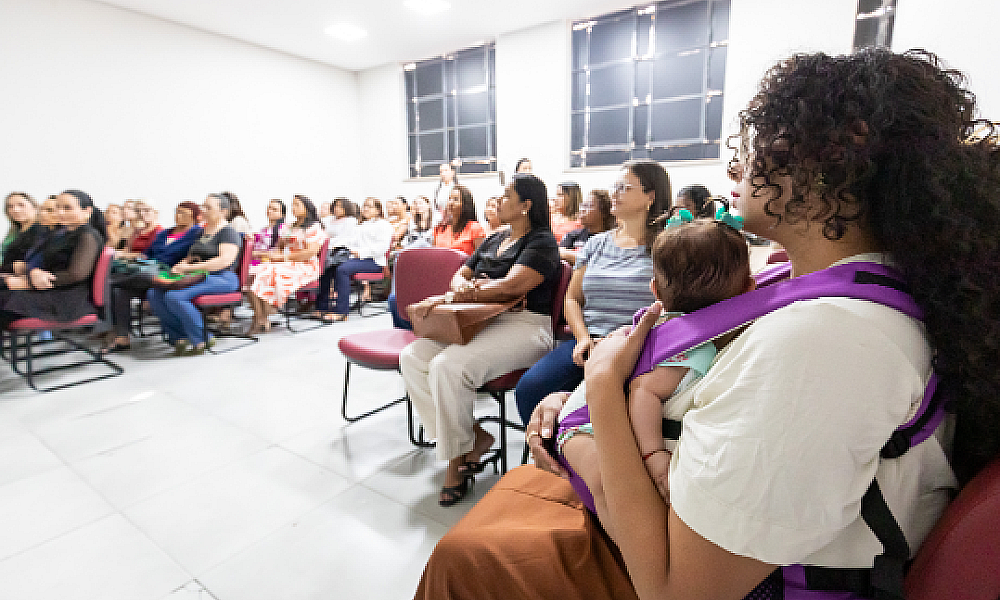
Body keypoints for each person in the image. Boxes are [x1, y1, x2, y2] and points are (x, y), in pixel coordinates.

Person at [414, 49, 998, 600]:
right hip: (676, 497)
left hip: (690, 565)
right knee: (476, 540)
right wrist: (578, 400)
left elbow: (676, 586)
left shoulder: (826, 340)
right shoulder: (803, 287)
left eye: (767, 142)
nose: (738, 164)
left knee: (465, 555)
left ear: (835, 161)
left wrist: (590, 405)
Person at [557, 214, 755, 539]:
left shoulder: (674, 327)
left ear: (655, 291)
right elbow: (643, 391)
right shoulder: (695, 343)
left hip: (586, 416)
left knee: (615, 497)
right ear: (750, 288)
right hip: (584, 425)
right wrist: (654, 454)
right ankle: (628, 556)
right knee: (615, 500)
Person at [400, 173, 561, 507]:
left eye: (506, 196)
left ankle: (456, 462)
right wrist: (460, 284)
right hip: (480, 320)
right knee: (413, 357)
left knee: (448, 365)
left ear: (526, 205)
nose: (499, 201)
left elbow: (513, 286)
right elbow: (463, 271)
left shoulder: (541, 242)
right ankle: (471, 438)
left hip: (526, 325)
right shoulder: (495, 238)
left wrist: (467, 289)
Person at [514, 162, 671, 424]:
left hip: (642, 346)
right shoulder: (597, 244)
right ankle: (554, 456)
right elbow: (573, 299)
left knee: (611, 403)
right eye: (615, 187)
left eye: (625, 187)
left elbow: (673, 305)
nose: (615, 193)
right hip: (590, 342)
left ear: (650, 196)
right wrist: (583, 338)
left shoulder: (667, 245)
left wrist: (623, 342)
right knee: (531, 388)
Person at [102, 201, 203, 354]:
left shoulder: (196, 232)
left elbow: (206, 245)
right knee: (119, 291)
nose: (178, 215)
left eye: (183, 213)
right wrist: (130, 258)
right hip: (149, 269)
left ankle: (106, 283)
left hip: (170, 272)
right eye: (177, 211)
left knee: (134, 277)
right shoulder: (164, 233)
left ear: (194, 216)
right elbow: (147, 254)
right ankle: (123, 338)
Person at [147, 193, 240, 355]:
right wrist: (180, 266)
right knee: (154, 293)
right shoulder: (201, 232)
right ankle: (179, 337)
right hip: (199, 275)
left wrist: (188, 269)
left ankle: (202, 337)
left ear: (223, 211)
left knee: (174, 296)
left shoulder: (228, 232)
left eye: (208, 207)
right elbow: (190, 257)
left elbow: (224, 261)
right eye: (203, 206)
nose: (202, 210)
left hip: (222, 277)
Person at [0, 190, 106, 327]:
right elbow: (44, 265)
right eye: (58, 208)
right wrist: (33, 273)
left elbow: (75, 274)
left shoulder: (87, 235)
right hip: (48, 291)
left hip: (65, 300)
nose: (60, 212)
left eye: (67, 208)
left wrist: (29, 282)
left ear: (87, 211)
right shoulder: (61, 235)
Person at [247, 195, 325, 333]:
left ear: (306, 208)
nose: (293, 208)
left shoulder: (314, 227)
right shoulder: (289, 227)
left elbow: (310, 253)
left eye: (297, 205)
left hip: (306, 265)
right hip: (289, 262)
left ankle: (261, 319)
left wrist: (284, 257)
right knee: (253, 272)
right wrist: (274, 256)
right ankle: (260, 317)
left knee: (270, 271)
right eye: (292, 205)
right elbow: (280, 247)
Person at [313, 197, 393, 323]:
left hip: (374, 261)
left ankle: (342, 312)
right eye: (364, 205)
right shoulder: (360, 225)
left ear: (378, 210)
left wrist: (360, 252)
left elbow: (382, 248)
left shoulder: (384, 225)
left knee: (342, 269)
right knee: (329, 266)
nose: (365, 208)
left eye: (369, 206)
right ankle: (322, 307)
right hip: (356, 259)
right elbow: (350, 242)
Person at [559, 189, 615, 265]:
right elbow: (559, 253)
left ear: (604, 212)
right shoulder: (574, 235)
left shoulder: (611, 238)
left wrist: (570, 255)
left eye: (588, 206)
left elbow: (599, 262)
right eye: (582, 205)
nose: (582, 210)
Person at [432, 185, 485, 255]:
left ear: (465, 204)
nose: (450, 203)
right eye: (449, 199)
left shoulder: (475, 228)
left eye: (456, 199)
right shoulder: (439, 228)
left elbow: (481, 258)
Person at [1, 192, 40, 267]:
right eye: (10, 207)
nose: (15, 210)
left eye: (21, 205)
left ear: (34, 207)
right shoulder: (13, 232)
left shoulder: (41, 231)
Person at [251, 199, 286, 266]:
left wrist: (256, 253)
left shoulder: (284, 229)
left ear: (282, 214)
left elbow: (279, 253)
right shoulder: (262, 230)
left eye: (274, 209)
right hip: (255, 262)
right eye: (269, 208)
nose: (270, 211)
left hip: (269, 264)